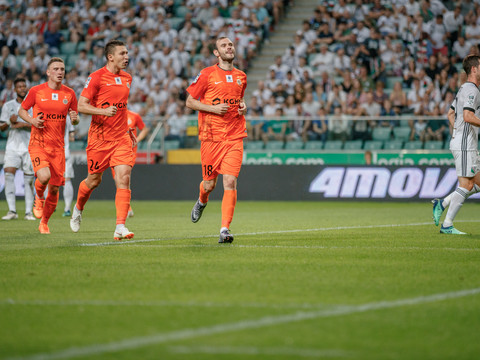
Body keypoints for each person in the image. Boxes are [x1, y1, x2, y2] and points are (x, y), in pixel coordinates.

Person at [70, 40, 135, 240]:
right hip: (99, 139)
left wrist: (128, 128)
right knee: (93, 180)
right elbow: (81, 105)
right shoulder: (96, 77)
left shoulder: (127, 78)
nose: (126, 57)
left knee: (123, 177)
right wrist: (103, 111)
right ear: (110, 56)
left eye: (127, 53)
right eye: (122, 53)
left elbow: (122, 107)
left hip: (121, 138)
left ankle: (120, 226)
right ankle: (78, 208)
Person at [186, 37, 247, 244]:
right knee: (209, 184)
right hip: (211, 137)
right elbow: (190, 101)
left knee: (229, 181)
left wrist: (243, 107)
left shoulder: (241, 76)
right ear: (216, 53)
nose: (229, 48)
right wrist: (213, 109)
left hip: (234, 136)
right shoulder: (206, 74)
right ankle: (202, 201)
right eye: (224, 45)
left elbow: (238, 99)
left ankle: (224, 229)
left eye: (231, 45)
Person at [18, 58, 78, 234]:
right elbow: (22, 110)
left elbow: (75, 117)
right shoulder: (36, 91)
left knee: (54, 189)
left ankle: (44, 222)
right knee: (43, 177)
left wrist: (75, 119)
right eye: (56, 69)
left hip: (58, 148)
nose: (60, 72)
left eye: (62, 69)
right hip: (39, 143)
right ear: (48, 72)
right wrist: (32, 120)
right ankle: (38, 197)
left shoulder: (70, 94)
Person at [432, 54, 480, 234]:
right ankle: (447, 225)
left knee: (474, 184)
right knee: (467, 185)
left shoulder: (463, 89)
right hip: (465, 144)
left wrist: (458, 133)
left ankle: (442, 203)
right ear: (474, 69)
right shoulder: (472, 90)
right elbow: (467, 116)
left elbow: (450, 115)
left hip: (464, 142)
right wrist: (461, 135)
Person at [0, 78, 35, 221]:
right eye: (19, 86)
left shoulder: (33, 106)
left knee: (29, 180)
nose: (22, 88)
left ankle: (28, 212)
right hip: (12, 147)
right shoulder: (8, 106)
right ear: (15, 90)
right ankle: (12, 211)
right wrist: (9, 121)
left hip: (29, 147)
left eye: (24, 86)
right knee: (8, 175)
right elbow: (1, 127)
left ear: (26, 88)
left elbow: (39, 125)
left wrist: (22, 124)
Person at [111, 109, 149, 218]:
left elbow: (145, 129)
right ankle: (127, 207)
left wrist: (136, 139)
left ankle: (126, 208)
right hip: (115, 150)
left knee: (124, 177)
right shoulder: (113, 114)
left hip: (129, 151)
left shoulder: (134, 116)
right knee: (118, 179)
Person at [62, 119, 76, 217]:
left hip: (50, 152)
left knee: (47, 179)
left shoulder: (45, 112)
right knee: (66, 180)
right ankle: (67, 208)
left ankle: (45, 205)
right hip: (64, 151)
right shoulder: (67, 117)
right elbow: (72, 137)